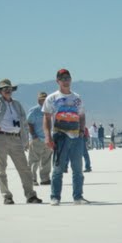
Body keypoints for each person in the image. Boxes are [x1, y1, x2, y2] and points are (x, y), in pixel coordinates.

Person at [0, 80, 41, 205]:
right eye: (4, 88)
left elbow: (24, 124)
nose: (7, 90)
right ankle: (7, 196)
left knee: (24, 168)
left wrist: (25, 140)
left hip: (16, 139)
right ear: (0, 91)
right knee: (1, 169)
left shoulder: (17, 104)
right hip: (0, 138)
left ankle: (31, 195)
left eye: (9, 88)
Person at [44, 68, 89, 204]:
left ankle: (78, 197)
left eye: (68, 78)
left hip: (76, 137)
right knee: (58, 169)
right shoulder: (52, 98)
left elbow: (81, 115)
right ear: (57, 81)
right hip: (60, 136)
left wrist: (82, 131)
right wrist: (48, 137)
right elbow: (46, 118)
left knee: (78, 169)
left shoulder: (77, 98)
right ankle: (55, 197)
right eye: (63, 79)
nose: (66, 81)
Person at [27, 90, 52, 188]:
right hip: (37, 139)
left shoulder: (50, 109)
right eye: (42, 99)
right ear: (38, 100)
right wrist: (34, 136)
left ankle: (45, 179)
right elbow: (29, 123)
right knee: (34, 160)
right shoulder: (34, 110)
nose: (44, 101)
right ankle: (32, 179)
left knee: (47, 160)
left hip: (48, 139)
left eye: (46, 99)